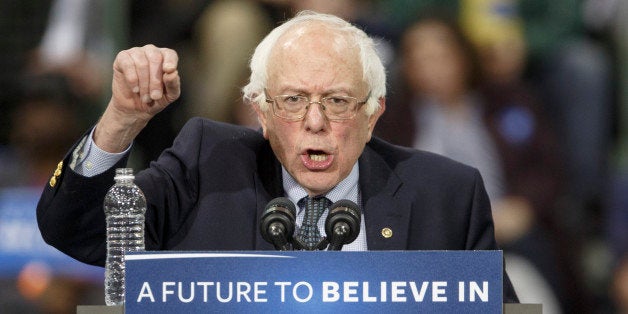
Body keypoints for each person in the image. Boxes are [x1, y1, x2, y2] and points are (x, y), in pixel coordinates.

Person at [36, 11, 518, 302]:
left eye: (337, 101)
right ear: (260, 113)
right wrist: (121, 118)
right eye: (291, 100)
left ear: (373, 114)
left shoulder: (446, 193)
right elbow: (73, 229)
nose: (314, 121)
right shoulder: (207, 165)